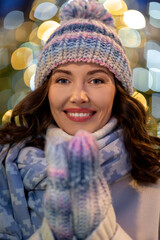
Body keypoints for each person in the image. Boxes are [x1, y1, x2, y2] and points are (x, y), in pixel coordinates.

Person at [0, 0, 160, 239]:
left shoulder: (153, 173)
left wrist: (101, 228)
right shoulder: (7, 165)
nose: (78, 96)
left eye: (96, 80)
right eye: (63, 80)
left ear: (117, 91)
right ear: (47, 90)